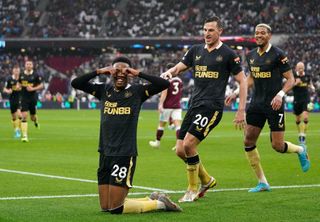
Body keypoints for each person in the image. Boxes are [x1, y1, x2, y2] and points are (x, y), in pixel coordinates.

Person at [71, 56, 182, 214]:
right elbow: (76, 83)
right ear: (111, 72)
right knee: (105, 207)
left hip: (124, 154)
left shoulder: (137, 92)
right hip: (104, 152)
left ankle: (160, 204)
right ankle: (151, 199)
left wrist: (138, 74)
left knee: (116, 208)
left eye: (125, 71)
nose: (120, 74)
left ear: (129, 73)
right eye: (117, 70)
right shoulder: (104, 90)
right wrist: (99, 71)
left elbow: (164, 84)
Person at [161, 16, 247, 202]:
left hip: (212, 107)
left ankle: (192, 189)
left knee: (189, 144)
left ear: (220, 31)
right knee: (180, 150)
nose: (207, 33)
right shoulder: (196, 50)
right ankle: (207, 180)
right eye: (205, 30)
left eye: (211, 30)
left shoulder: (228, 54)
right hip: (194, 105)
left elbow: (243, 81)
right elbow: (179, 67)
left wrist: (241, 110)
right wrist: (170, 72)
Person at [241, 24, 310, 192]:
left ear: (269, 35)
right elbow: (251, 78)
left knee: (277, 146)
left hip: (274, 104)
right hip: (256, 104)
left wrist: (280, 94)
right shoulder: (250, 55)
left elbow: (291, 79)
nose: (259, 35)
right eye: (256, 33)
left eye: (262, 33)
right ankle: (262, 182)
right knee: (248, 140)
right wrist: (237, 91)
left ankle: (300, 150)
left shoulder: (278, 54)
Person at [149, 63, 183, 150]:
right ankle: (179, 144)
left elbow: (164, 93)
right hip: (177, 106)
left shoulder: (167, 80)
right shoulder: (179, 80)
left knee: (161, 125)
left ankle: (157, 142)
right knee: (178, 126)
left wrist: (160, 104)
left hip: (167, 106)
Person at [19, 60, 44, 142]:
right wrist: (19, 86)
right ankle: (24, 136)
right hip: (24, 98)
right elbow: (19, 83)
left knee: (32, 117)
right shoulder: (21, 75)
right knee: (24, 116)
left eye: (30, 64)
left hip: (33, 98)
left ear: (32, 66)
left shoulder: (36, 75)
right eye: (27, 64)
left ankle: (36, 120)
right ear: (25, 65)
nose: (28, 65)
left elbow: (41, 85)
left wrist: (33, 88)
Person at [292, 61, 315, 144]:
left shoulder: (307, 76)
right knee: (298, 120)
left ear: (304, 68)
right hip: (297, 100)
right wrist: (295, 83)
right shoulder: (293, 76)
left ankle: (303, 135)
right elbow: (289, 87)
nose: (301, 69)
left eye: (302, 67)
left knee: (305, 117)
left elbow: (309, 84)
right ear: (296, 68)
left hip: (306, 99)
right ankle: (299, 133)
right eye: (299, 68)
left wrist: (312, 87)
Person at [3, 65, 22, 138]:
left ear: (19, 71)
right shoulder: (9, 79)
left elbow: (25, 88)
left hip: (20, 99)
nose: (17, 72)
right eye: (15, 70)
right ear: (13, 71)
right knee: (14, 117)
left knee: (20, 115)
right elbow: (4, 89)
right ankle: (16, 130)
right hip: (12, 99)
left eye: (18, 70)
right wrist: (8, 91)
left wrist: (20, 88)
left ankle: (18, 130)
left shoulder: (22, 79)